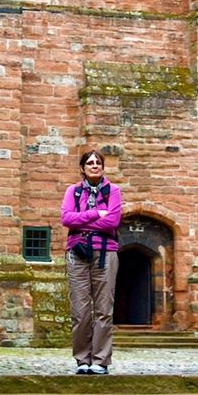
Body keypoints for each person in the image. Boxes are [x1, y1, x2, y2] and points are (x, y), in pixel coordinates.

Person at [61, 149, 122, 375]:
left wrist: (82, 221)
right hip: (77, 253)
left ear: (103, 167)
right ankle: (82, 360)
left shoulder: (113, 191)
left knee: (104, 309)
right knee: (80, 311)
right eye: (90, 162)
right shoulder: (73, 191)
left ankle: (100, 360)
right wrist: (97, 214)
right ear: (83, 168)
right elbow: (66, 219)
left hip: (105, 252)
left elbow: (113, 222)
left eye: (98, 162)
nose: (94, 165)